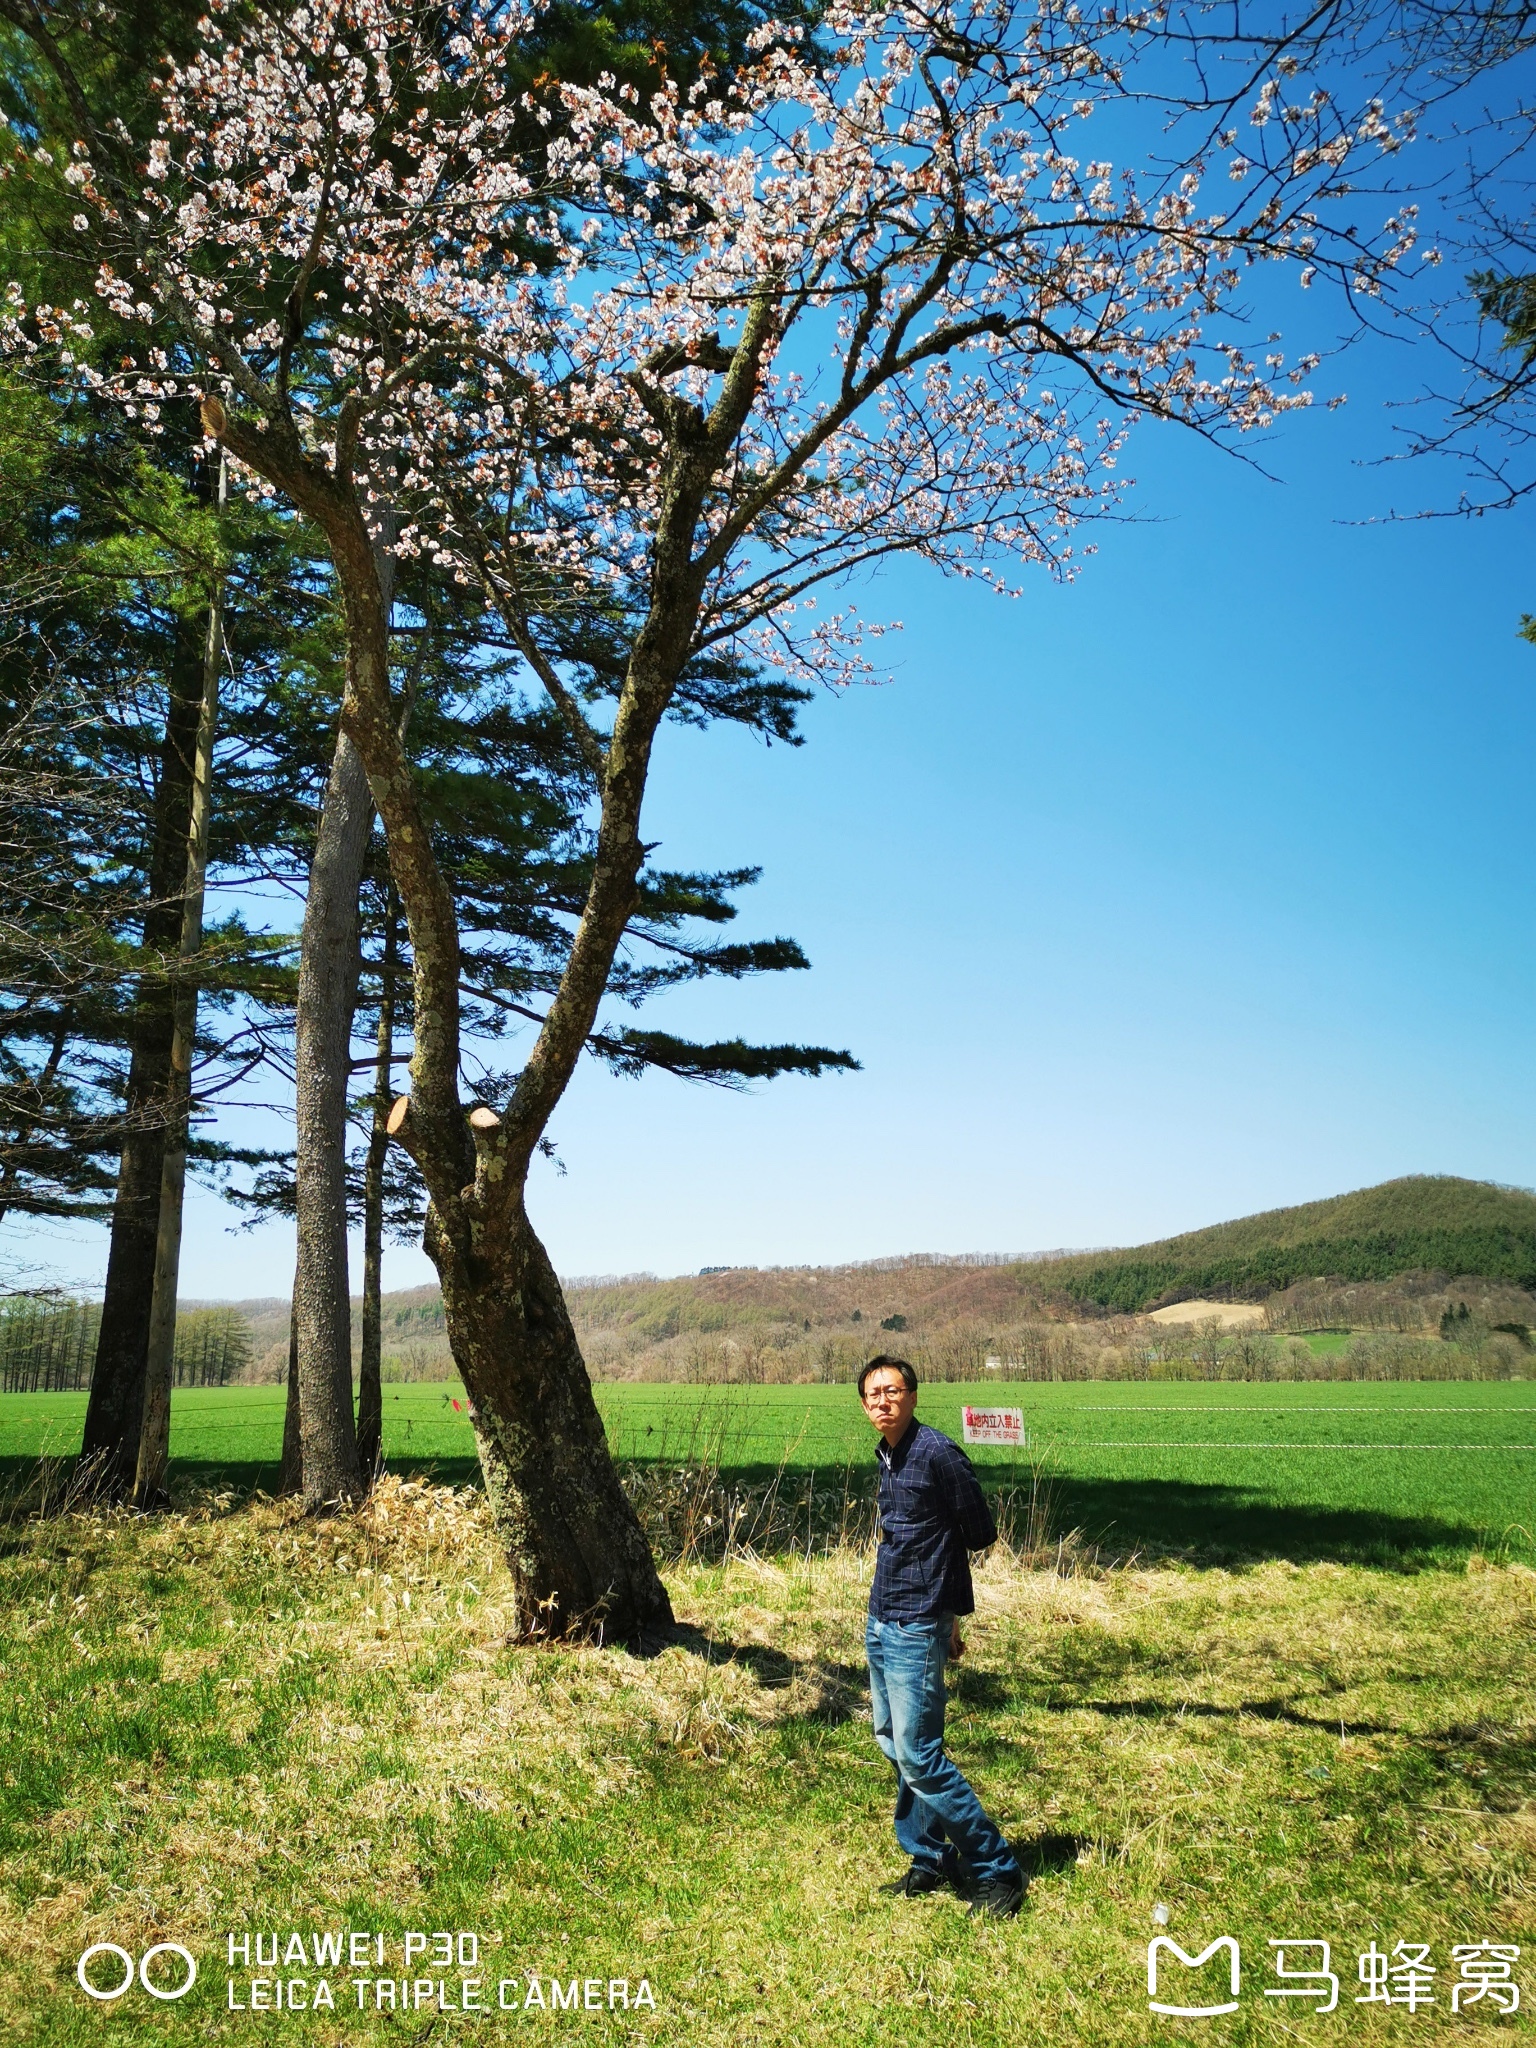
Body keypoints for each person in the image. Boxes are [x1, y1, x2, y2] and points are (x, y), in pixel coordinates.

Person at [859, 1354, 1025, 1918]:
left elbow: (977, 1532)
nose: (883, 1400)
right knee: (893, 1741)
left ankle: (996, 1870)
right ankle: (927, 1858)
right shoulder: (886, 1455)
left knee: (921, 1755)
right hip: (881, 1617)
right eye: (872, 1393)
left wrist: (946, 1612)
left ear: (912, 1396)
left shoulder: (936, 1453)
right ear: (864, 1405)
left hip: (915, 1621)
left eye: (893, 1390)